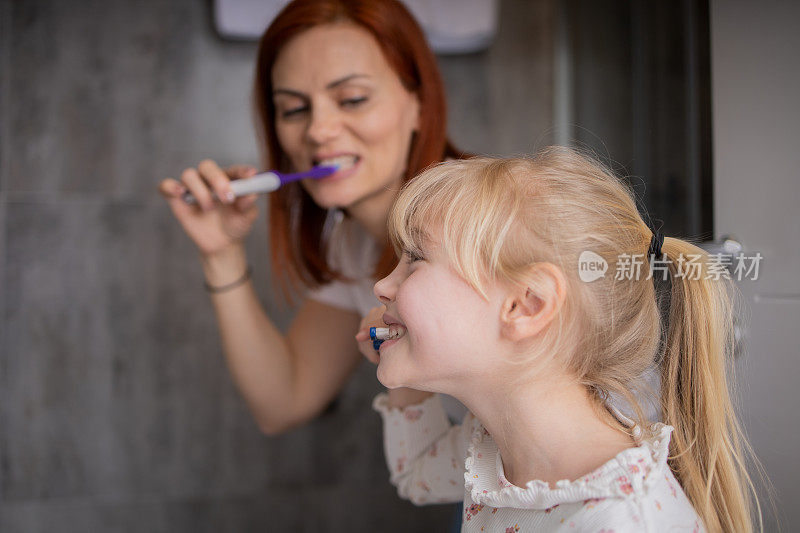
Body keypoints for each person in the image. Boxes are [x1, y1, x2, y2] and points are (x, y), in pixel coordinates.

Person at [359, 149, 760, 532]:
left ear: (527, 305)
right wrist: (398, 350)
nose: (382, 286)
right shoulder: (492, 444)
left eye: (415, 259)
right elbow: (418, 474)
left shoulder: (623, 521)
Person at [158, 0, 466, 438]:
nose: (318, 130)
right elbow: (284, 401)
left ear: (419, 103)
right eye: (293, 109)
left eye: (353, 99)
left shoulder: (478, 227)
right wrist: (221, 253)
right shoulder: (353, 243)